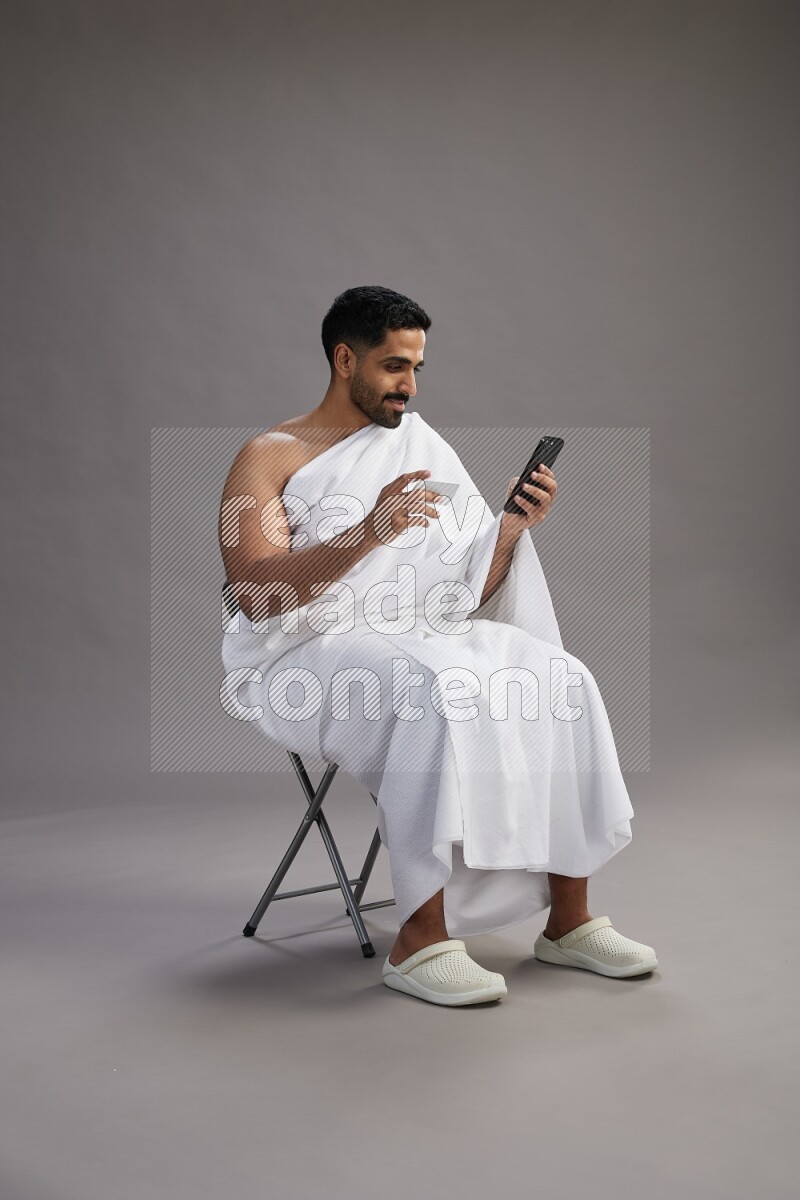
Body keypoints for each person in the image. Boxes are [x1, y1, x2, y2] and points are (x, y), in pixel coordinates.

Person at [218, 285, 657, 1007]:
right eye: (394, 367)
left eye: (417, 367)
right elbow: (253, 593)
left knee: (560, 676)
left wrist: (511, 530)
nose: (409, 386)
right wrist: (369, 532)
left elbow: (457, 594)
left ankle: (568, 922)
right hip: (299, 651)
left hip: (413, 630)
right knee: (431, 691)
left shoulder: (420, 445)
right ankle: (420, 938)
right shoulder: (266, 457)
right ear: (343, 358)